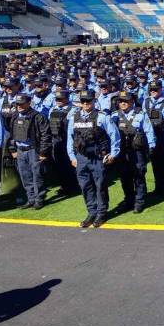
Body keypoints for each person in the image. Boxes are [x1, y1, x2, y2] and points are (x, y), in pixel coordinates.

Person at [67, 89, 121, 228]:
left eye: (88, 101)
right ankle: (91, 212)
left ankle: (102, 213)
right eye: (83, 101)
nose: (86, 104)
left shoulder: (102, 117)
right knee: (85, 186)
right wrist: (72, 156)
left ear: (93, 101)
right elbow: (70, 139)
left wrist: (113, 154)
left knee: (100, 186)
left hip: (97, 158)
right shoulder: (74, 117)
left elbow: (114, 136)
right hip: (81, 158)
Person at [113, 91, 156, 213]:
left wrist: (152, 146)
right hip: (122, 152)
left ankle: (139, 201)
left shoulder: (141, 114)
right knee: (124, 177)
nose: (123, 103)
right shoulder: (115, 115)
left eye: (125, 101)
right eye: (121, 101)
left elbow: (148, 130)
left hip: (137, 151)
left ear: (132, 101)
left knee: (138, 176)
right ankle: (129, 200)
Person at [7, 94, 52, 210]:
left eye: (22, 104)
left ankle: (39, 199)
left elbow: (45, 136)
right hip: (20, 150)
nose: (19, 106)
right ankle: (31, 199)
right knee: (25, 176)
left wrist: (43, 152)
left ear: (29, 103)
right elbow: (11, 134)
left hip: (34, 150)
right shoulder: (14, 116)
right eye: (17, 104)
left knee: (37, 176)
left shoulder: (38, 117)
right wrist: (12, 149)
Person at [143, 80, 164, 195]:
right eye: (151, 90)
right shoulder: (146, 102)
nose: (153, 91)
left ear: (161, 89)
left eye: (156, 89)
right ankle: (158, 185)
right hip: (151, 137)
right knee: (155, 162)